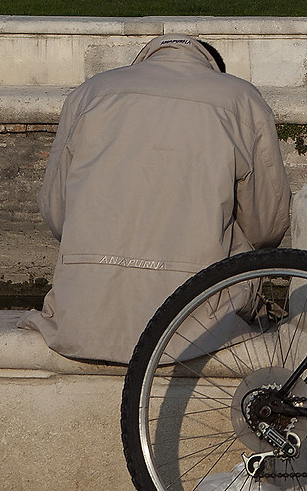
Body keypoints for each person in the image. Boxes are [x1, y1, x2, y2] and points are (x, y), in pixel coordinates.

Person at [24, 36, 291, 364]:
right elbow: (267, 226)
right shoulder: (240, 99)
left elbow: (56, 214)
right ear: (213, 69)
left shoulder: (90, 93)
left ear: (145, 60)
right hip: (192, 320)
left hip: (83, 319)